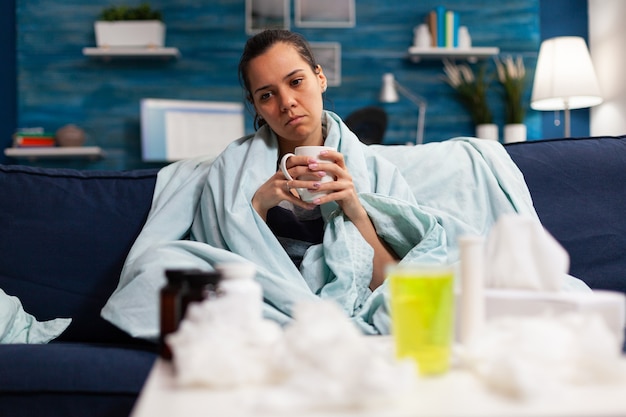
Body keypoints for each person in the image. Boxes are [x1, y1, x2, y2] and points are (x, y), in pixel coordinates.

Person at [101, 30, 564, 340]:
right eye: (267, 95)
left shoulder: (373, 169)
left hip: (341, 296)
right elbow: (224, 263)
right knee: (162, 267)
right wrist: (256, 208)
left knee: (459, 286)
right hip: (266, 299)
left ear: (319, 78)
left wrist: (355, 209)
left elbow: (393, 281)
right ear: (256, 107)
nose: (287, 103)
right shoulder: (233, 167)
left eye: (296, 81)